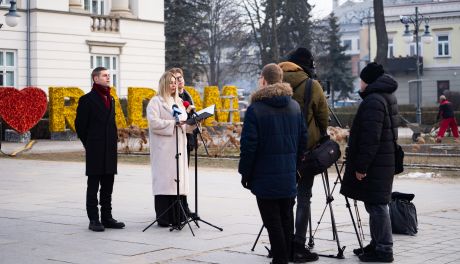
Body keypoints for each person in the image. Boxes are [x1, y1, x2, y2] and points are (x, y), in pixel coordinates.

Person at [239, 63, 307, 264]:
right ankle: (285, 256)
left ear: (263, 80)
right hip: (288, 174)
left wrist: (245, 173)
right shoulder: (294, 106)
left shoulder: (255, 109)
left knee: (272, 221)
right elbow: (303, 140)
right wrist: (294, 165)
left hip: (264, 176)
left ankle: (280, 259)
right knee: (286, 218)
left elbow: (249, 146)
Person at [340, 62, 398, 263]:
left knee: (377, 205)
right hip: (383, 159)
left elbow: (370, 137)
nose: (360, 83)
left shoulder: (374, 100)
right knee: (375, 203)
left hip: (375, 162)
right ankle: (377, 244)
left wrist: (361, 166)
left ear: (368, 81)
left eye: (362, 80)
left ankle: (383, 249)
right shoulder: (386, 96)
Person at [278, 47, 328, 262]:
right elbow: (323, 117)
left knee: (281, 197)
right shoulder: (311, 85)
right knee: (304, 196)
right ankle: (298, 243)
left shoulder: (275, 82)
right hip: (305, 150)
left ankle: (280, 241)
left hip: (278, 150)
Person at [75, 66, 125, 232]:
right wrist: (89, 143)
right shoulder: (87, 99)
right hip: (95, 149)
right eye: (105, 75)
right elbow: (80, 126)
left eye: (108, 75)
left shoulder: (110, 98)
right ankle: (94, 219)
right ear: (95, 79)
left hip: (109, 149)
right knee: (93, 185)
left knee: (108, 185)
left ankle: (107, 217)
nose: (108, 78)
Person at [146, 71, 191, 227]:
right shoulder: (155, 102)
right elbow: (154, 123)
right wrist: (173, 124)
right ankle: (165, 218)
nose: (174, 85)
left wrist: (194, 123)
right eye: (171, 82)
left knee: (178, 181)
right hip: (164, 149)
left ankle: (178, 216)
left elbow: (184, 123)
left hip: (179, 147)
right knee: (166, 182)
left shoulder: (179, 102)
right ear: (164, 84)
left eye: (175, 82)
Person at [169, 68, 196, 163]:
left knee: (185, 171)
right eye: (176, 78)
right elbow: (175, 119)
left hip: (188, 138)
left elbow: (191, 118)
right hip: (177, 140)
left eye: (180, 77)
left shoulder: (188, 96)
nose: (180, 80)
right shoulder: (171, 98)